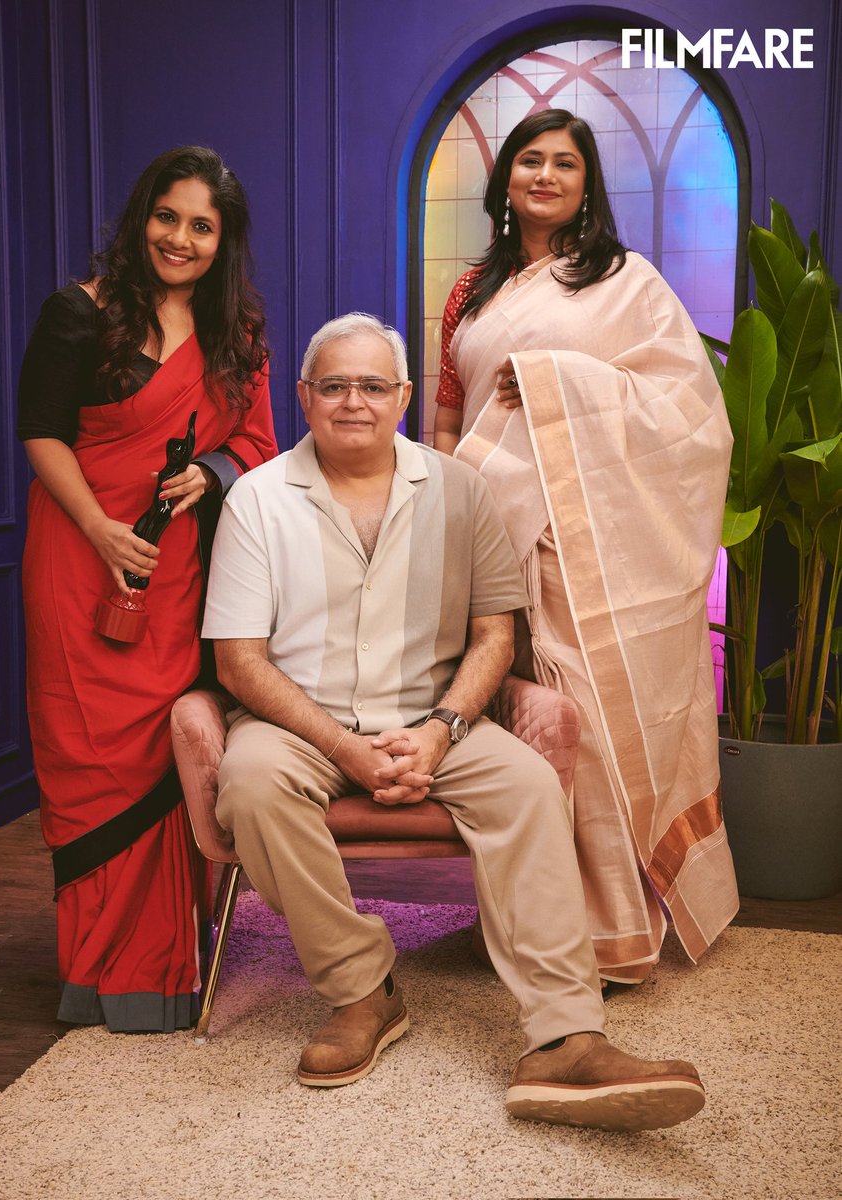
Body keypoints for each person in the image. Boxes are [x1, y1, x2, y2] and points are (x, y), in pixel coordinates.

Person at [202, 311, 707, 1132]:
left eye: (372, 385)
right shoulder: (257, 500)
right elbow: (239, 662)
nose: (353, 401)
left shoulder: (460, 490)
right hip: (301, 722)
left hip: (431, 717)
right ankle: (362, 991)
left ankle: (564, 1038)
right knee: (251, 782)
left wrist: (438, 730)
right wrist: (344, 749)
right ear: (304, 397)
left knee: (530, 784)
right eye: (334, 385)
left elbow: (493, 637)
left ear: (403, 396)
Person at [433, 110, 738, 985]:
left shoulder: (624, 280)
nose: (545, 175)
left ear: (585, 185)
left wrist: (554, 381)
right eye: (529, 159)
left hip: (595, 537)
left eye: (565, 163)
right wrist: (443, 510)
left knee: (594, 720)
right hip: (495, 537)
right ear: (506, 181)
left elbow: (688, 410)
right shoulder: (472, 294)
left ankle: (615, 931)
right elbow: (450, 419)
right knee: (526, 722)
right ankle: (532, 920)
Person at [18, 146, 278, 1032]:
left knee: (160, 750)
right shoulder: (79, 313)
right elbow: (42, 433)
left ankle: (161, 968)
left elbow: (257, 442)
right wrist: (97, 528)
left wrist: (210, 470)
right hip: (78, 561)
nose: (180, 237)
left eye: (202, 226)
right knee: (86, 755)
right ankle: (94, 972)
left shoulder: (237, 337)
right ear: (142, 218)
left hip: (173, 580)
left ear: (223, 240)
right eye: (167, 217)